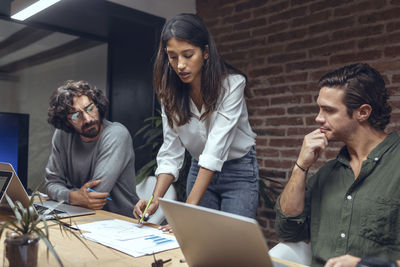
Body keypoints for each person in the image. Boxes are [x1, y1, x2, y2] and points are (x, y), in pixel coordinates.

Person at [133, 13, 259, 226]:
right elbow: (171, 152)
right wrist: (155, 200)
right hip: (198, 167)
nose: (180, 65)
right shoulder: (169, 96)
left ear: (206, 52)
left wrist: (187, 211)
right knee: (199, 240)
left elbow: (215, 149)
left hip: (239, 171)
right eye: (172, 57)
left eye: (188, 55)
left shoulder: (232, 86)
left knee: (232, 244)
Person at [275, 63, 400, 267]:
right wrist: (301, 166)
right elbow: (287, 230)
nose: (318, 118)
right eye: (319, 108)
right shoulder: (327, 173)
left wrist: (365, 264)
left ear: (362, 112)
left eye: (328, 110)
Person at [45, 80, 139, 217]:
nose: (88, 119)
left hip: (120, 221)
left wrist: (67, 195)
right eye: (76, 115)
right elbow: (51, 184)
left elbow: (95, 194)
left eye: (89, 108)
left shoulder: (116, 134)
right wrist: (73, 197)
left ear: (97, 105)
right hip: (80, 215)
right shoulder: (62, 135)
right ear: (66, 122)